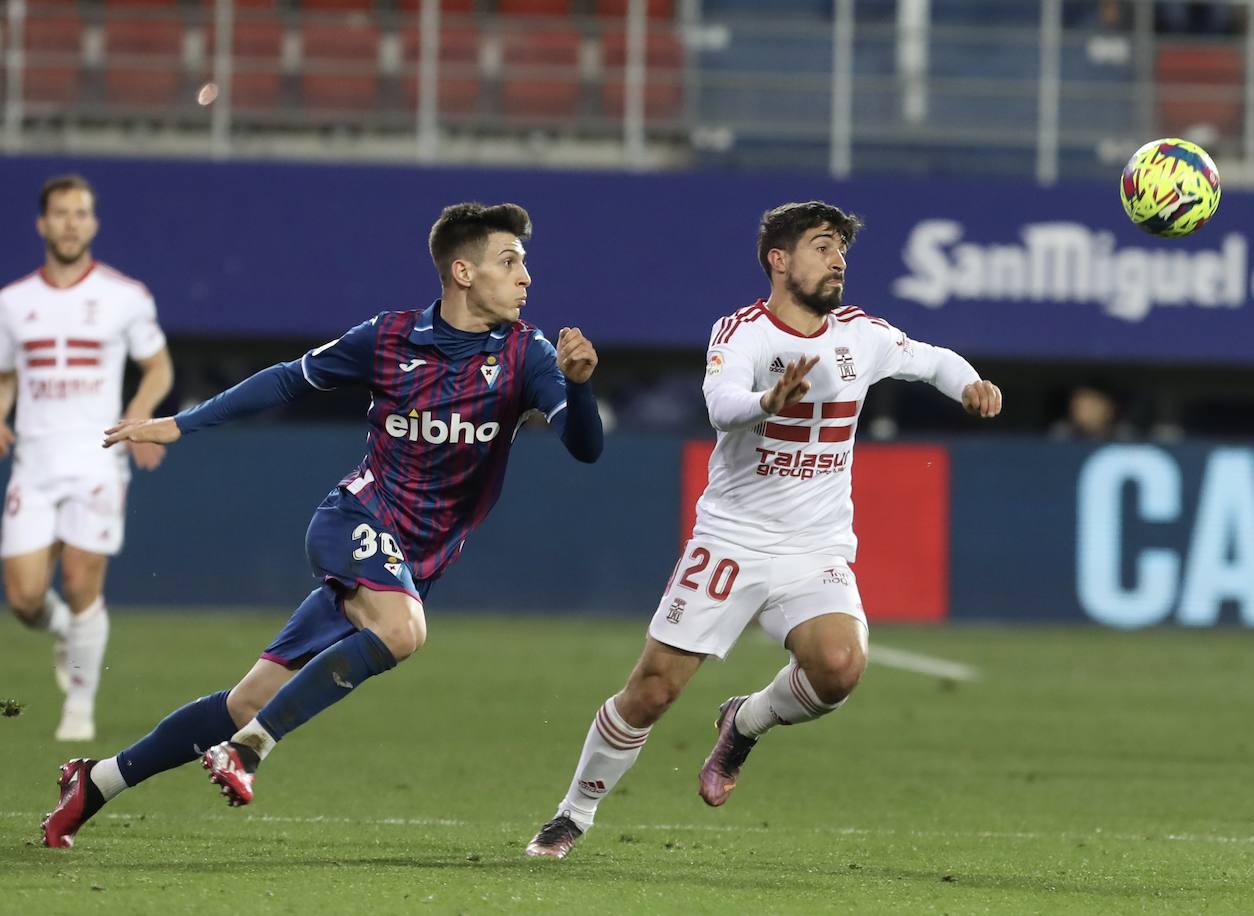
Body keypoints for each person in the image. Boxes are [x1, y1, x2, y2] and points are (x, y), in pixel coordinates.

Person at [41, 202, 603, 848]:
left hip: (409, 564)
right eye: (510, 262)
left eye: (524, 265)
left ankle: (96, 781)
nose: (526, 278)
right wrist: (181, 423)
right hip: (354, 520)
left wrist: (579, 387)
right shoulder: (390, 339)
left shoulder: (526, 355)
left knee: (246, 700)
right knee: (403, 630)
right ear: (463, 272)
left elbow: (584, 446)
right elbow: (286, 382)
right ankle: (250, 752)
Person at [525, 200, 1001, 859]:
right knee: (654, 688)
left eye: (842, 249)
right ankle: (573, 813)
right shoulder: (743, 332)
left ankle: (742, 722)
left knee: (838, 667)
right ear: (779, 260)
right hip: (732, 539)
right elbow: (721, 407)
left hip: (815, 547)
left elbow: (933, 359)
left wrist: (972, 383)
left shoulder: (861, 334)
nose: (837, 260)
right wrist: (766, 403)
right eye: (821, 246)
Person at [0, 174, 173, 742]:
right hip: (35, 461)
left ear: (93, 223)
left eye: (81, 213)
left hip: (99, 457)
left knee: (80, 581)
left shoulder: (126, 296)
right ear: (42, 224)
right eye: (61, 213)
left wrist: (141, 423)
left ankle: (79, 706)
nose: (71, 222)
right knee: (24, 596)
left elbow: (159, 367)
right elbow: (6, 376)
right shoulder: (13, 303)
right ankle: (62, 634)